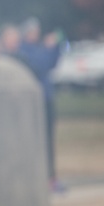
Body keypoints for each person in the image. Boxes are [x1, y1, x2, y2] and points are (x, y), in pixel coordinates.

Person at [17, 18, 64, 192]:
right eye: (33, 31)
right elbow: (39, 65)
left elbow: (51, 64)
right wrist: (49, 48)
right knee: (38, 141)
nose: (35, 34)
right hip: (35, 103)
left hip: (46, 99)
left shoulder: (37, 49)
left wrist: (55, 48)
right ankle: (40, 179)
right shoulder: (24, 50)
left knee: (48, 141)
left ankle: (51, 178)